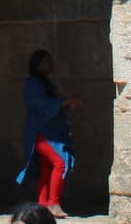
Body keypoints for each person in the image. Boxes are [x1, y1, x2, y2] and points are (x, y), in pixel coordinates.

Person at [17, 49, 81, 218]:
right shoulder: (33, 83)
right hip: (41, 131)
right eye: (46, 61)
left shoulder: (45, 83)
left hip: (49, 130)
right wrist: (64, 102)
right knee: (61, 163)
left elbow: (55, 100)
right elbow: (39, 104)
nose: (50, 64)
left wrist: (66, 101)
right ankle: (53, 203)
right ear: (37, 64)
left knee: (47, 166)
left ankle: (43, 203)